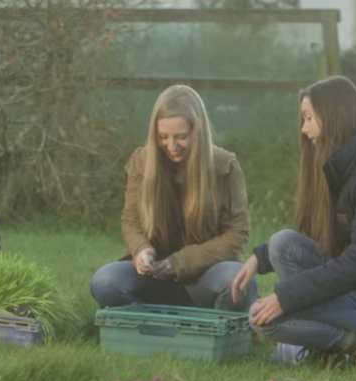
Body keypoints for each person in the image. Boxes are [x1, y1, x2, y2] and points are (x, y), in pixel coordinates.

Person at [231, 76, 356, 370]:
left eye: (308, 118)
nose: (304, 129)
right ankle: (329, 346)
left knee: (264, 321)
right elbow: (325, 244)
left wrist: (286, 297)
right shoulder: (348, 163)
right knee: (282, 243)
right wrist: (260, 257)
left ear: (334, 115)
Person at [90, 84, 257, 312]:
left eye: (181, 137)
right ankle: (155, 325)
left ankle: (211, 327)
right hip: (154, 275)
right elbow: (131, 221)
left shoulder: (224, 166)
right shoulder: (141, 162)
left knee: (237, 279)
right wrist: (141, 250)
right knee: (104, 282)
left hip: (206, 275)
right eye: (162, 137)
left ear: (197, 131)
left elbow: (237, 234)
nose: (172, 146)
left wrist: (179, 263)